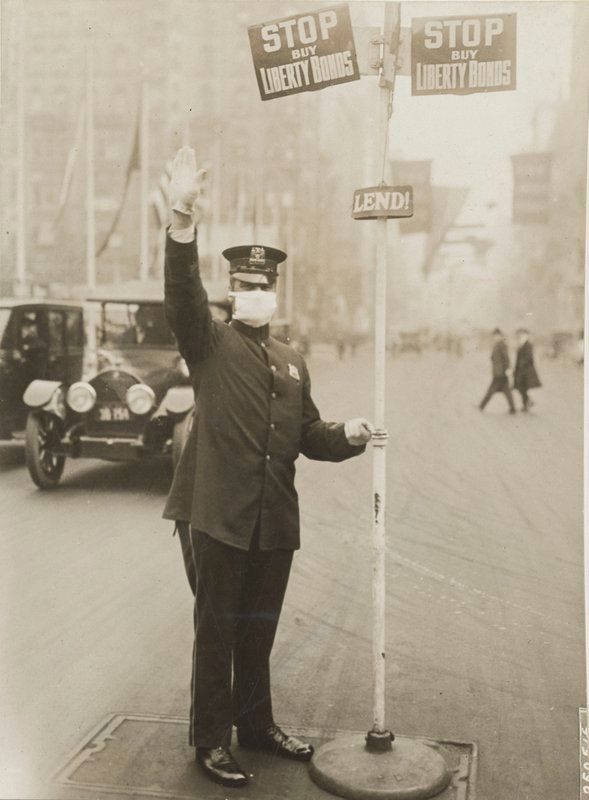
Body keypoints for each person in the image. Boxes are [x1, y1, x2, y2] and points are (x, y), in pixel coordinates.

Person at [162, 147, 373, 789]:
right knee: (217, 633)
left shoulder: (291, 357)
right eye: (244, 286)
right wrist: (182, 218)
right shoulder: (210, 341)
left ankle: (256, 727)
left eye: (264, 287)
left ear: (275, 293)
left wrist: (349, 435)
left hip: (272, 521)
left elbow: (306, 432)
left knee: (258, 632)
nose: (254, 294)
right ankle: (210, 742)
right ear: (231, 292)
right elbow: (180, 292)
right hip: (217, 514)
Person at [479, 327, 516, 414]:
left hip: (501, 372)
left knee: (492, 390)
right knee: (506, 391)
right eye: (494, 336)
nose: (495, 337)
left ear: (500, 335)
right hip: (498, 372)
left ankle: (481, 406)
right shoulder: (497, 344)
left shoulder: (502, 344)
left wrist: (508, 369)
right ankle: (512, 408)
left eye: (496, 336)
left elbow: (506, 358)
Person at [513, 328, 541, 411]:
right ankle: (527, 402)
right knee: (521, 387)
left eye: (523, 335)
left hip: (526, 370)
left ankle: (527, 403)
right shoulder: (521, 344)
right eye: (521, 335)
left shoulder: (528, 345)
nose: (521, 336)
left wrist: (522, 366)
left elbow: (529, 357)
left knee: (522, 387)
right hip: (521, 370)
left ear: (527, 336)